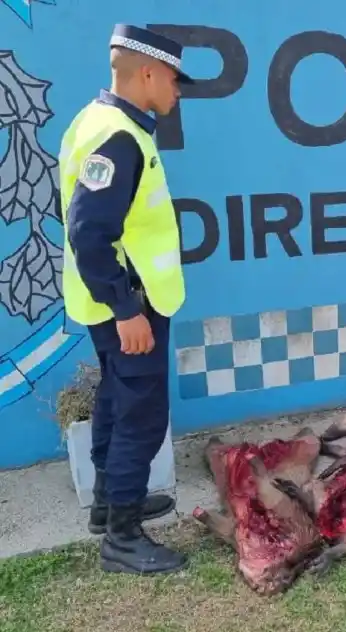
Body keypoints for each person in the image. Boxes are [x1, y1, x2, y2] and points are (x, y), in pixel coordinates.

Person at [59, 24, 194, 574]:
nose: (178, 91)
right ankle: (122, 537)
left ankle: (109, 504)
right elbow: (89, 232)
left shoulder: (98, 121)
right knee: (141, 411)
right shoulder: (118, 136)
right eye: (174, 79)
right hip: (129, 306)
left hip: (116, 303)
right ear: (148, 73)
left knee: (117, 399)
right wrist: (126, 308)